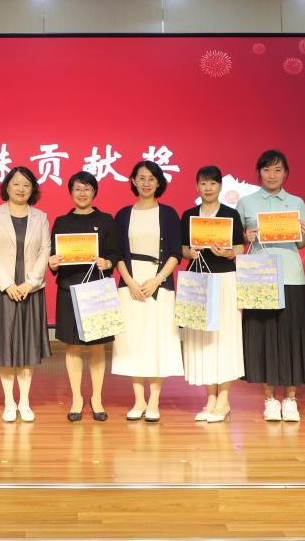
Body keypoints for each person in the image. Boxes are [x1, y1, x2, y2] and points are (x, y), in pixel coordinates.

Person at [239, 150, 305, 423]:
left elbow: (301, 244)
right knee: (264, 336)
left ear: (286, 173)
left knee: (292, 335)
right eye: (267, 170)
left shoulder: (296, 202)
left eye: (278, 170)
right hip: (259, 277)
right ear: (259, 173)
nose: (272, 175)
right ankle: (270, 398)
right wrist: (245, 235)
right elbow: (238, 240)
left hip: (290, 275)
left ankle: (291, 398)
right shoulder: (246, 202)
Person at [112, 160, 183, 423]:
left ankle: (153, 400)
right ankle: (138, 400)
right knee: (133, 341)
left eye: (151, 178)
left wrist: (157, 279)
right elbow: (117, 253)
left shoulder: (169, 214)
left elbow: (176, 253)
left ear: (159, 182)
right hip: (130, 284)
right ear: (133, 181)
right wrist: (129, 281)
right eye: (141, 178)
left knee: (158, 340)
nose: (146, 183)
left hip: (159, 285)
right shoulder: (123, 214)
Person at [0, 166, 52, 423]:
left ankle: (24, 402)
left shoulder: (41, 217)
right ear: (7, 187)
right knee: (6, 345)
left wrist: (30, 283)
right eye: (16, 184)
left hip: (31, 288)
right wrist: (8, 284)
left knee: (27, 344)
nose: (21, 188)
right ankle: (9, 402)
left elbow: (45, 251)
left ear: (32, 189)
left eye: (26, 184)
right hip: (2, 287)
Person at [48, 171, 118, 422]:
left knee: (98, 347)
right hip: (69, 290)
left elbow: (115, 254)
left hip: (97, 290)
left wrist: (107, 262)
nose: (82, 193)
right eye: (77, 189)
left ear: (94, 192)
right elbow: (53, 256)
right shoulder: (61, 222)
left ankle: (96, 398)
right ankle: (77, 398)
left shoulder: (106, 220)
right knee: (73, 346)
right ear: (70, 192)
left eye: (87, 189)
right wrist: (52, 263)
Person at [179, 165, 245, 423]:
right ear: (197, 186)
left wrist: (227, 253)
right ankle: (209, 398)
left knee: (226, 336)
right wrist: (190, 252)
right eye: (203, 183)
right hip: (198, 281)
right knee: (202, 338)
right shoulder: (189, 215)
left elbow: (239, 248)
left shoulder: (230, 214)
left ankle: (224, 399)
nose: (208, 188)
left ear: (220, 186)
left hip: (225, 279)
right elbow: (182, 249)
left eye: (213, 183)